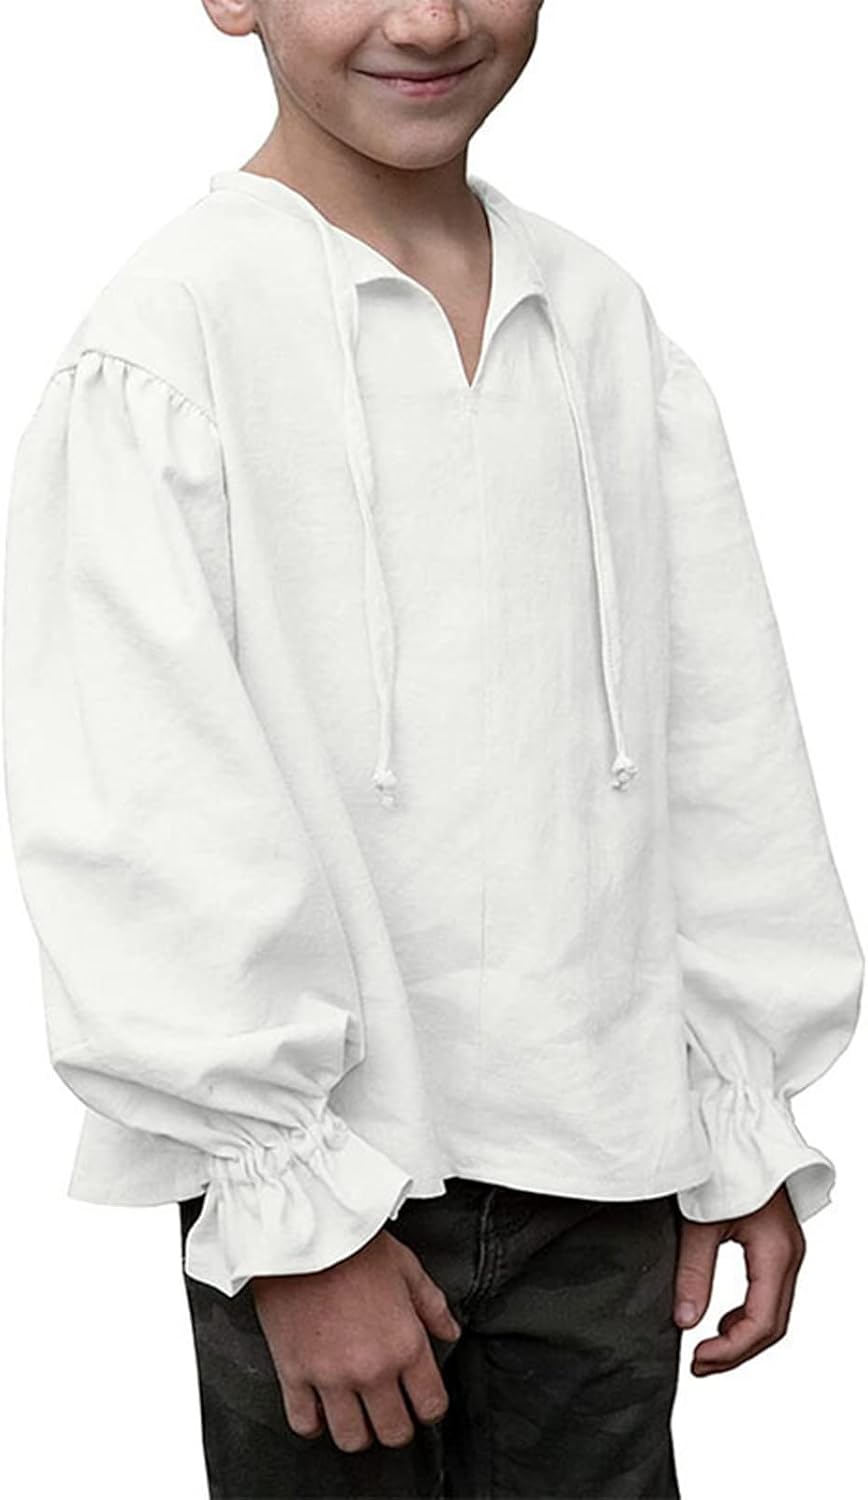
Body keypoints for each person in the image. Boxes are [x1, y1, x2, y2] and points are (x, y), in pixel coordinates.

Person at [3, 2, 863, 1497]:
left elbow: (718, 742)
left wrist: (741, 1114)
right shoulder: (172, 337)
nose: (430, 19)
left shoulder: (602, 318)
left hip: (609, 1173)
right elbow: (140, 806)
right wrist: (296, 1225)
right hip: (331, 1205)